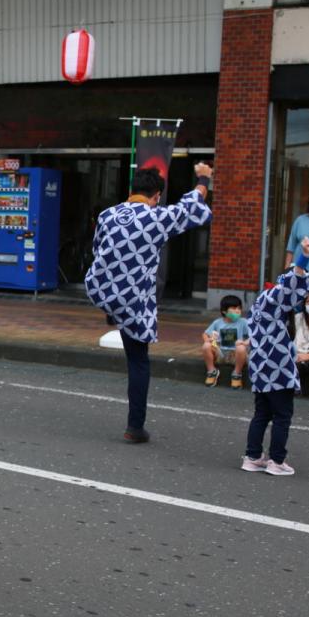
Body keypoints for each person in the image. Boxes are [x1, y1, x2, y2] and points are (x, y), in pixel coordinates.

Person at [85, 164, 212, 443]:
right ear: (156, 195)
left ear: (132, 190)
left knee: (127, 334)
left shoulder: (108, 214)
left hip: (103, 290)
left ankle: (111, 312)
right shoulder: (157, 217)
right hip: (135, 301)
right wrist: (203, 177)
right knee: (138, 362)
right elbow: (191, 205)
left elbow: (97, 250)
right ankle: (134, 427)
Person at [242, 237, 309, 477]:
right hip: (277, 366)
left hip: (260, 365)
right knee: (282, 415)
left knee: (262, 414)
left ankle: (252, 457)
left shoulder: (262, 299)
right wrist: (303, 256)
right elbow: (295, 281)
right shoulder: (278, 296)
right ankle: (276, 461)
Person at [202, 295, 249, 389]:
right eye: (234, 308)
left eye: (239, 308)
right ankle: (212, 371)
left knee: (241, 348)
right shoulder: (218, 323)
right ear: (224, 311)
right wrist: (208, 340)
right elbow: (205, 334)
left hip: (236, 355)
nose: (237, 311)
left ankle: (237, 373)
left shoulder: (243, 322)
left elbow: (253, 336)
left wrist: (246, 342)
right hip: (221, 353)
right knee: (206, 346)